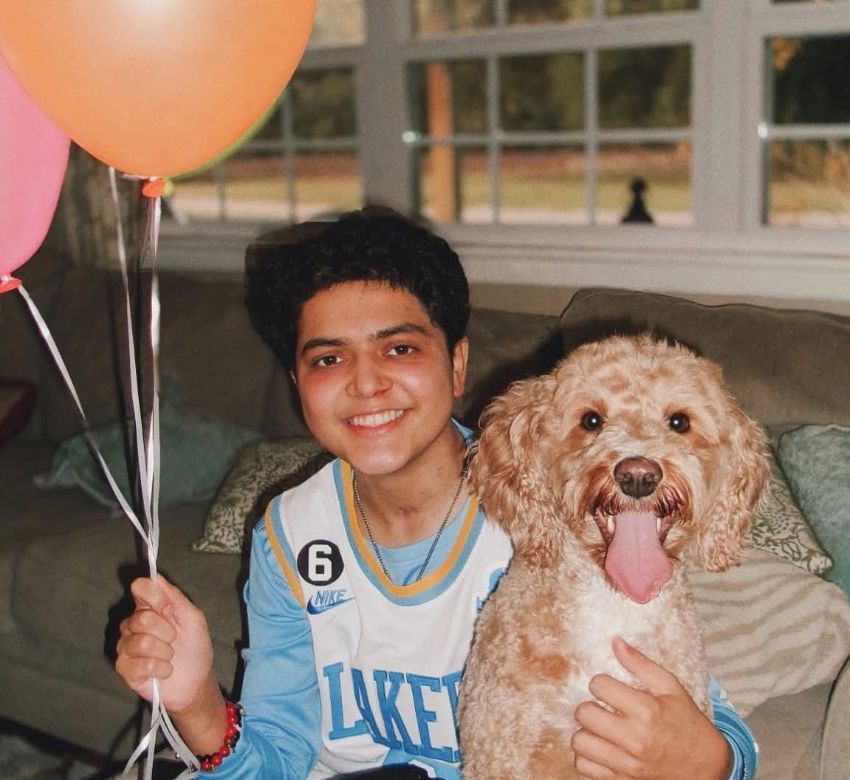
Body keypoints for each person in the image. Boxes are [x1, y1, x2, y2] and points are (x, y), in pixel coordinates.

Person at [115, 210, 757, 779]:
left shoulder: (549, 499)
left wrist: (708, 762)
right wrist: (195, 700)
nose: (366, 383)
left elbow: (705, 725)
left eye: (398, 348)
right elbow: (274, 757)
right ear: (297, 381)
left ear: (456, 364)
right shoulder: (288, 534)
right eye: (329, 359)